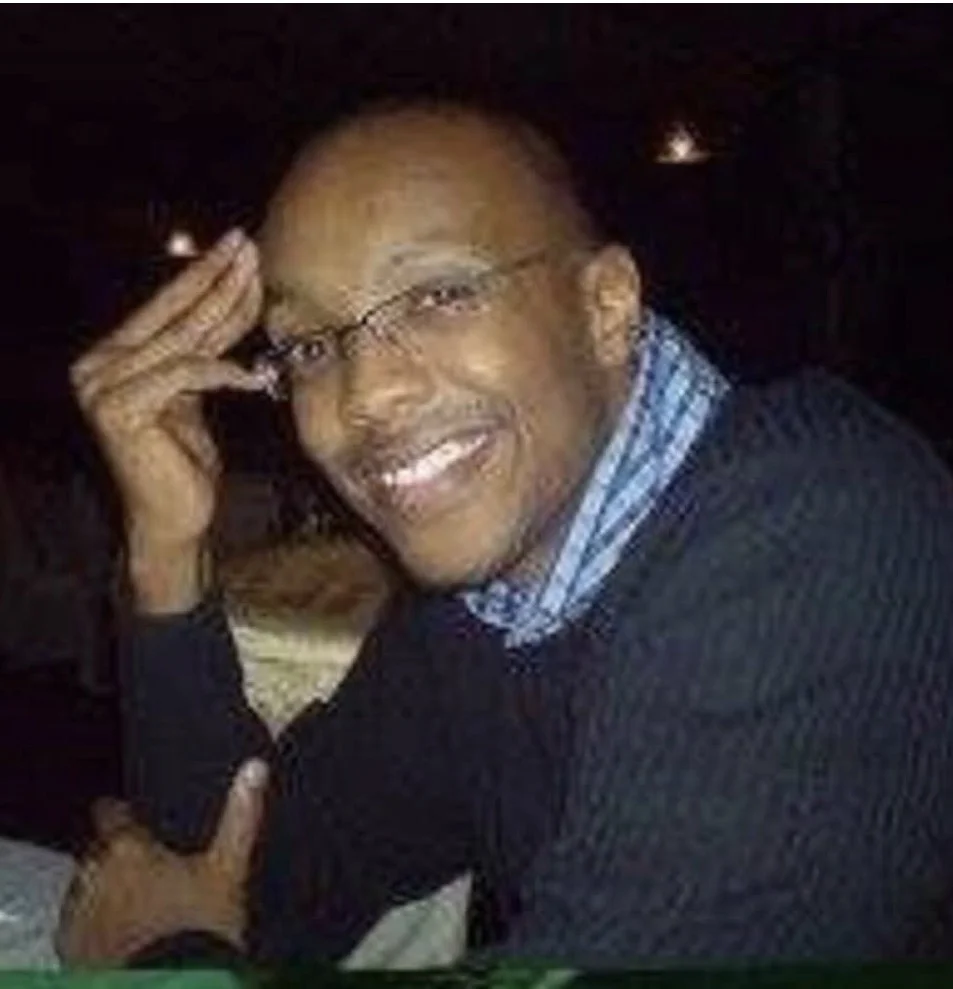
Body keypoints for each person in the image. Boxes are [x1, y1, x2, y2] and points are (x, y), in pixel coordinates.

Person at [59, 101, 953, 967]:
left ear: (605, 306)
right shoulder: (486, 605)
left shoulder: (818, 538)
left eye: (439, 295)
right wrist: (167, 549)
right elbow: (246, 876)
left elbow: (186, 924)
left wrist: (161, 958)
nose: (365, 395)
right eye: (310, 346)